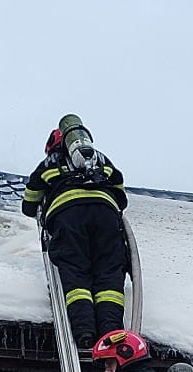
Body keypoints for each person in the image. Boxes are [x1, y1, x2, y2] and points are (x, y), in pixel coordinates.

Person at [24, 124, 130, 349]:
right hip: (106, 215)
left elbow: (28, 204)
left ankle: (84, 332)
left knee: (76, 274)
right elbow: (122, 197)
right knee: (109, 274)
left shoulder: (48, 165)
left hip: (68, 217)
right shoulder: (101, 160)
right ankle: (111, 331)